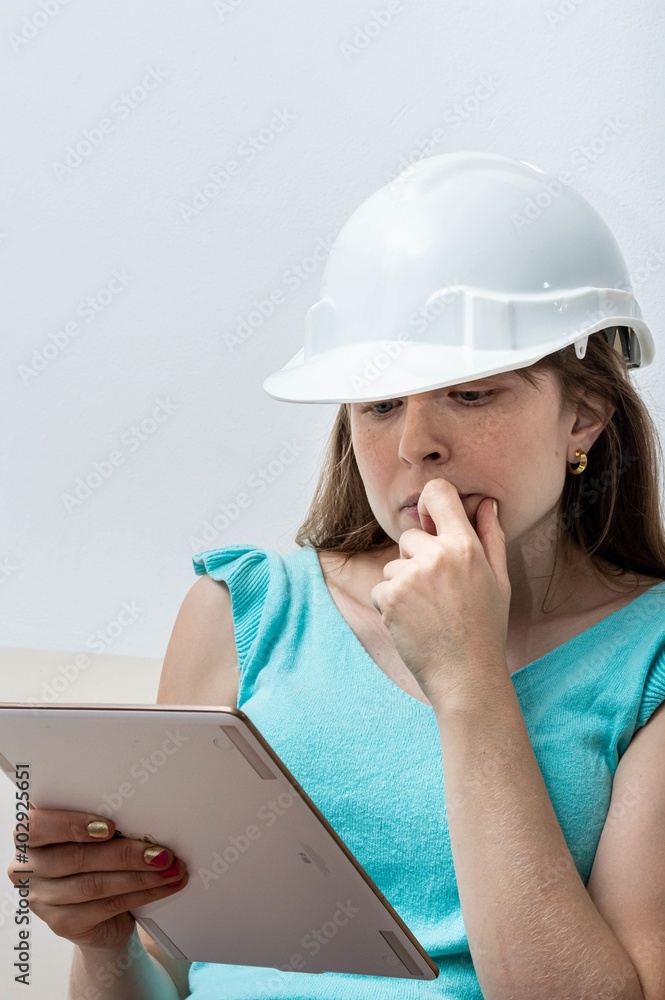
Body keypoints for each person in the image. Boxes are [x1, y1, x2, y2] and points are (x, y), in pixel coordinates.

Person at [10, 152, 665, 999]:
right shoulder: (241, 611)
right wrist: (105, 945)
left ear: (581, 416)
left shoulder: (646, 661)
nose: (412, 446)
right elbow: (165, 978)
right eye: (380, 403)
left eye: (469, 394)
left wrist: (466, 677)